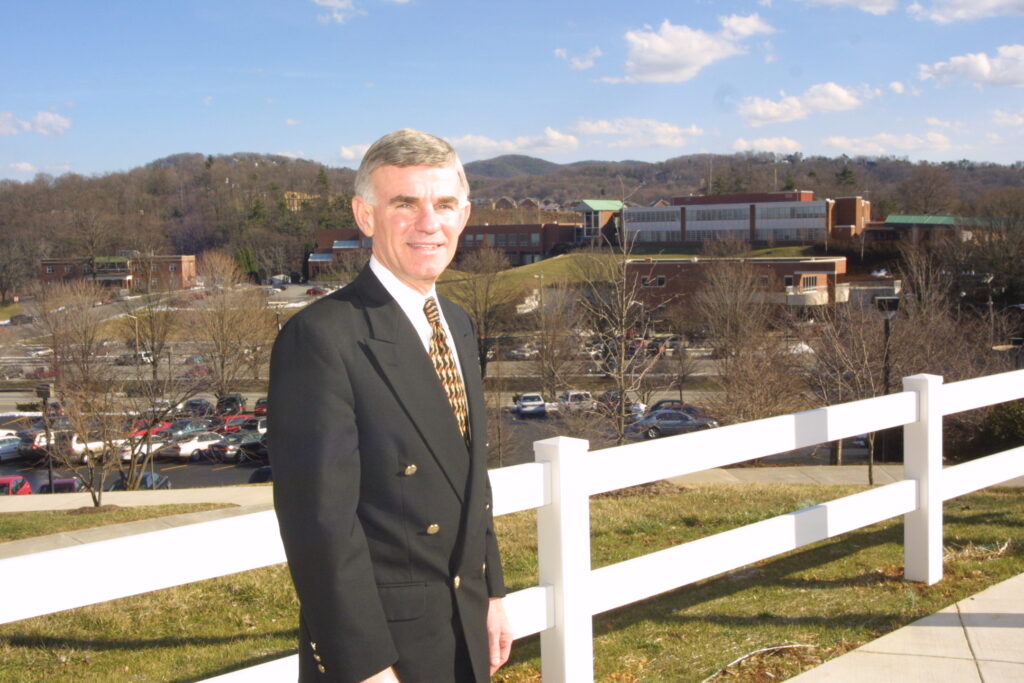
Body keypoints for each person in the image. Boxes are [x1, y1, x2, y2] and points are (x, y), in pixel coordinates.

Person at [269, 129, 512, 682]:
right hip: (384, 649)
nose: (430, 222)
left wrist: (491, 592)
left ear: (465, 214)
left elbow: (470, 483)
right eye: (405, 203)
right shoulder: (322, 338)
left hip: (461, 625)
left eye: (444, 204)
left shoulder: (458, 323)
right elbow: (319, 525)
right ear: (365, 214)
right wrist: (364, 665)